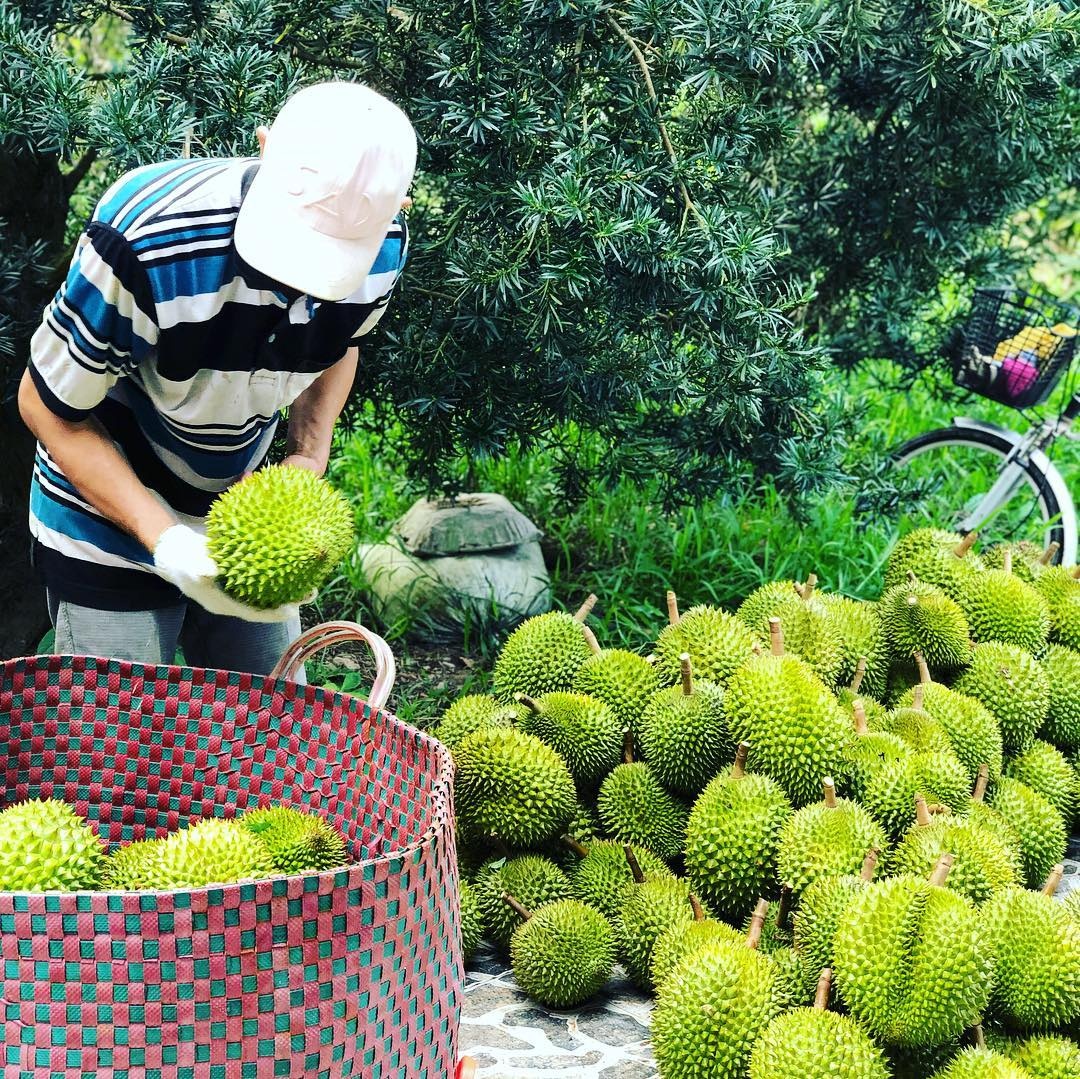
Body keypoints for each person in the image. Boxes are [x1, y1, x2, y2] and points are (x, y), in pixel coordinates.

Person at [17, 81, 416, 676]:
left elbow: (342, 344)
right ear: (263, 145)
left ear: (398, 206)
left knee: (266, 741)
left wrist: (306, 458)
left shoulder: (380, 244)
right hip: (104, 519)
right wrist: (168, 541)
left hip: (241, 516)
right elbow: (45, 405)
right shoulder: (145, 237)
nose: (305, 285)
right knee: (115, 749)